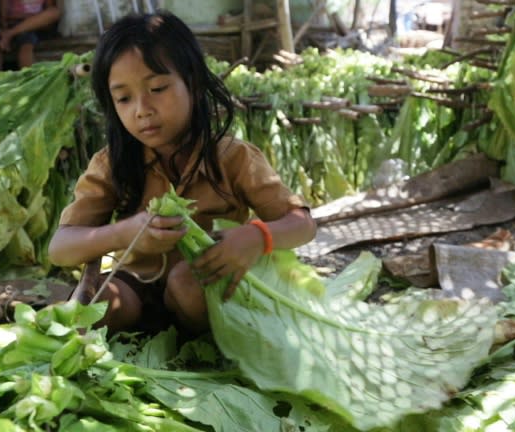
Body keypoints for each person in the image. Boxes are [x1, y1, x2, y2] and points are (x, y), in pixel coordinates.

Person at [48, 11, 316, 334]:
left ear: (194, 82)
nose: (142, 109)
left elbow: (303, 225)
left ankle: (209, 348)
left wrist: (256, 237)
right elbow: (60, 248)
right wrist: (125, 233)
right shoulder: (112, 164)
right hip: (136, 282)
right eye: (123, 98)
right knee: (101, 307)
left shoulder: (233, 157)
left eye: (157, 88)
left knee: (185, 284)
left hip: (208, 283)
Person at [0, 0, 59, 69]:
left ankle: (9, 33)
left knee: (55, 12)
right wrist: (4, 25)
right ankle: (30, 75)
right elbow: (4, 11)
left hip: (38, 22)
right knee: (26, 46)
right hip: (17, 22)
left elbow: (49, 9)